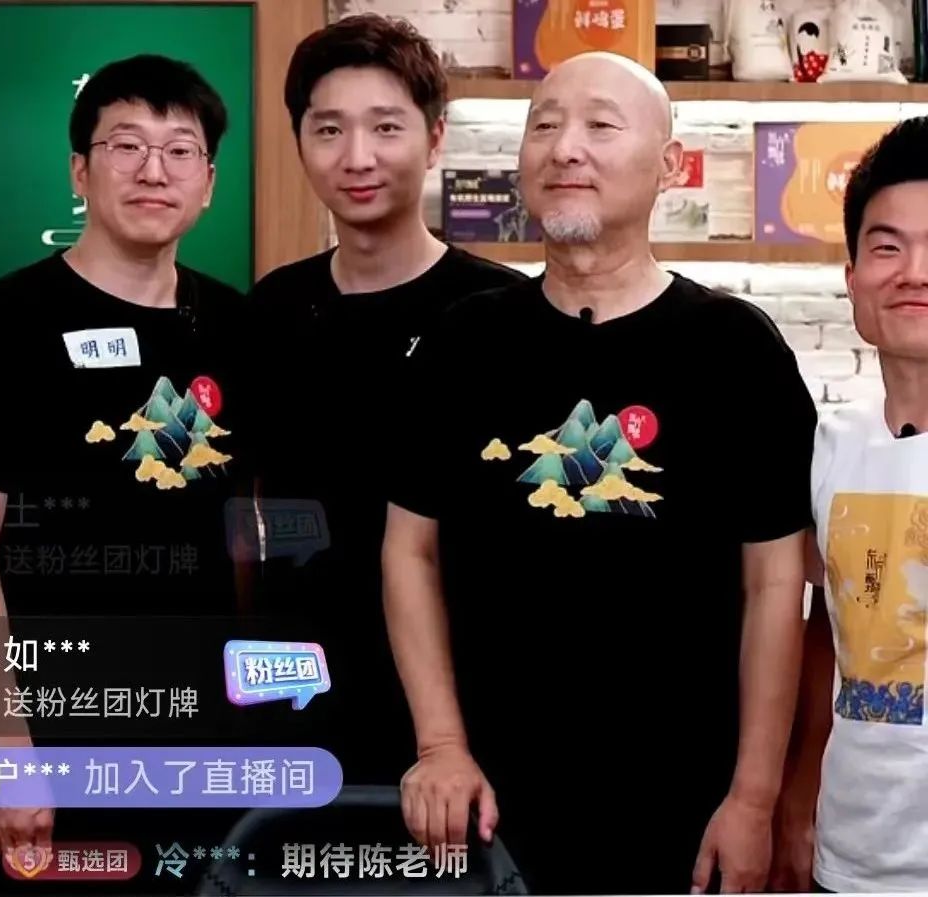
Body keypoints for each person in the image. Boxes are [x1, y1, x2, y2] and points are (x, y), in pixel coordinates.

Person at [382, 52, 817, 895]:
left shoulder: (735, 348)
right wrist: (440, 745)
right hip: (488, 802)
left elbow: (775, 583)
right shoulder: (463, 341)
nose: (565, 147)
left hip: (686, 803)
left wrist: (755, 797)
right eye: (543, 124)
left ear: (670, 165)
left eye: (600, 125)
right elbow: (410, 550)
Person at [0, 54, 249, 892]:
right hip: (48, 727)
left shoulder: (237, 326)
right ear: (79, 171)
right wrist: (7, 748)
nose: (153, 170)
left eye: (180, 150)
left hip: (195, 726)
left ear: (209, 182)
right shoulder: (1, 326)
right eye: (125, 145)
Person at [245, 13, 526, 788]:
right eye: (329, 129)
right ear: (299, 141)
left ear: (435, 139)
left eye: (386, 127)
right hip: (296, 691)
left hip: (465, 706)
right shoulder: (273, 310)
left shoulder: (503, 315)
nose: (357, 157)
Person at [772, 116, 928, 894]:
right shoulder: (829, 444)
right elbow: (826, 632)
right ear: (853, 276)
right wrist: (795, 803)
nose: (914, 273)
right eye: (888, 247)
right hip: (853, 859)